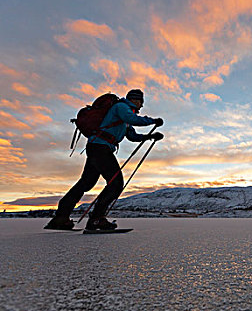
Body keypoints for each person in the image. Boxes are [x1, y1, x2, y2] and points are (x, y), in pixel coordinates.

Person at [44, 89, 164, 231]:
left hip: (97, 147)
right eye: (141, 101)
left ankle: (61, 218)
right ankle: (96, 219)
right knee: (116, 183)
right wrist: (153, 121)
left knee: (86, 183)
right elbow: (133, 120)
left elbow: (132, 136)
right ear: (135, 100)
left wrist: (150, 137)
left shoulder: (124, 118)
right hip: (100, 148)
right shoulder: (122, 108)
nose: (141, 105)